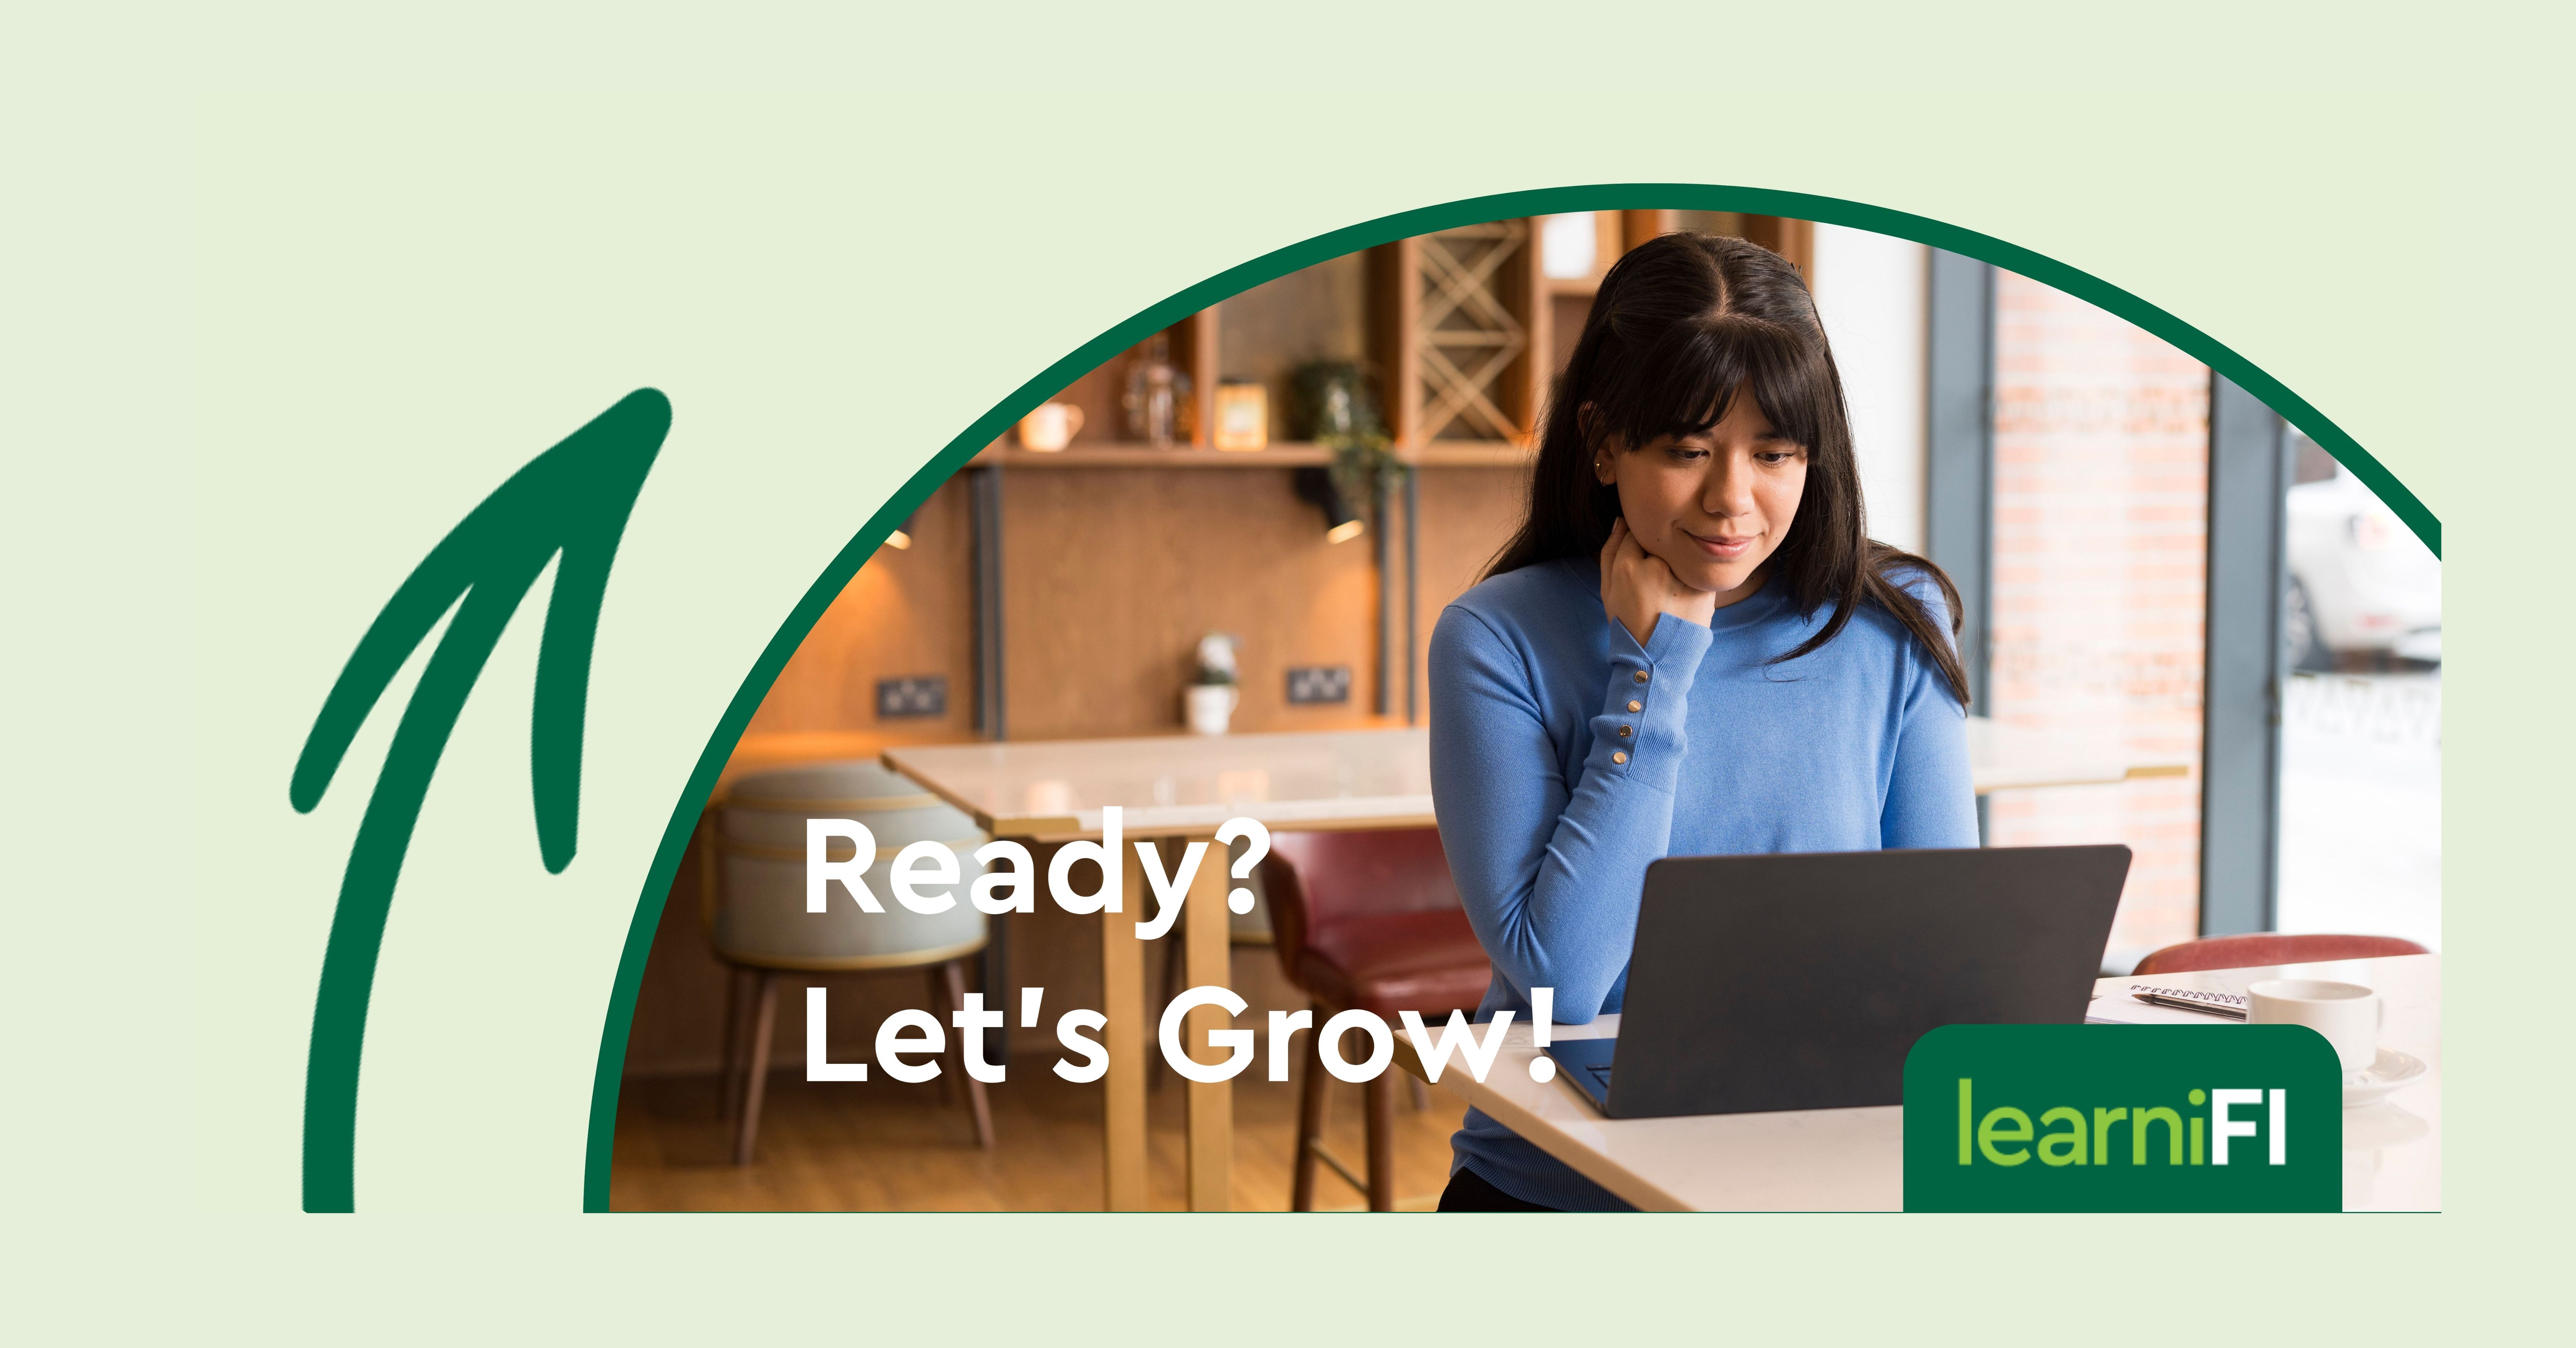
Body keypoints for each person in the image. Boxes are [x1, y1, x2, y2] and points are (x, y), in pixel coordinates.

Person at [1428, 232, 1978, 1212]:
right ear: (1604, 443)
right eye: (1688, 452)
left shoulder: (1894, 620)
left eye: (1775, 454)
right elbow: (1564, 978)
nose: (1733, 501)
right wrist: (1656, 675)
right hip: (1563, 1193)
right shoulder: (1496, 639)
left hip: (1811, 1170)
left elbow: (1939, 962)